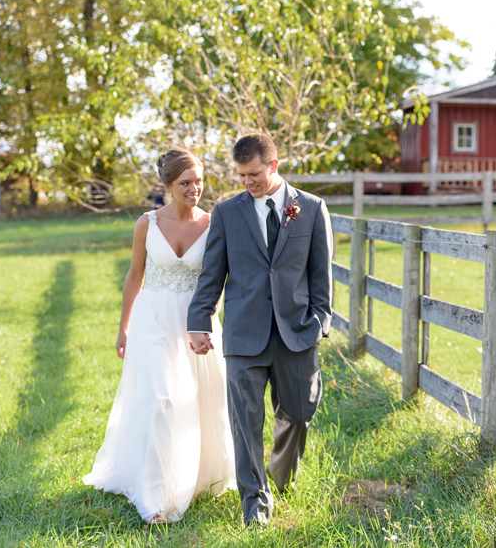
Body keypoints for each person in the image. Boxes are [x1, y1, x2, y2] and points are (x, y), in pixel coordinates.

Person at [84, 148, 236, 523]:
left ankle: (195, 475)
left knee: (198, 400)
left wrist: (211, 318)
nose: (195, 188)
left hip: (196, 320)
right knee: (160, 397)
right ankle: (154, 497)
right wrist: (123, 326)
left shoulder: (214, 223)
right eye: (186, 183)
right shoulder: (147, 224)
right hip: (152, 319)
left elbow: (220, 278)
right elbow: (135, 276)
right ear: (168, 186)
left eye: (199, 181)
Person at [187, 133, 332, 526]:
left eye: (253, 174)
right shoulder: (227, 213)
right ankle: (255, 503)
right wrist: (199, 320)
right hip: (243, 333)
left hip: (297, 332)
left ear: (274, 165)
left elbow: (322, 276)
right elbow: (211, 273)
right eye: (241, 175)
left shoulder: (313, 209)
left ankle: (280, 475)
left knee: (299, 412)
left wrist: (321, 322)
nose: (247, 182)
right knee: (245, 422)